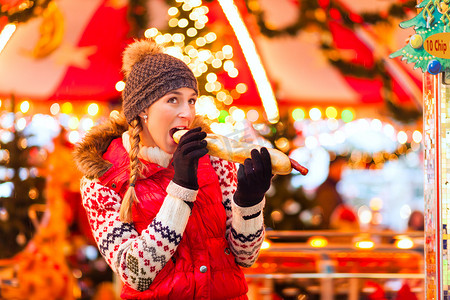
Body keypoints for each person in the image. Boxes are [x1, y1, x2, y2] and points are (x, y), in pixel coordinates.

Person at [74, 39, 273, 299]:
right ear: (143, 109)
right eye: (173, 100)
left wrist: (249, 204)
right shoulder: (102, 180)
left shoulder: (215, 162)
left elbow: (246, 256)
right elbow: (136, 273)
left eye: (191, 101)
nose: (186, 113)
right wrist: (181, 189)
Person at [314, 155, 347, 229]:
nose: (341, 173)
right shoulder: (326, 190)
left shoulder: (331, 187)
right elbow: (328, 217)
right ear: (330, 168)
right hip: (328, 234)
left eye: (342, 169)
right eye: (338, 169)